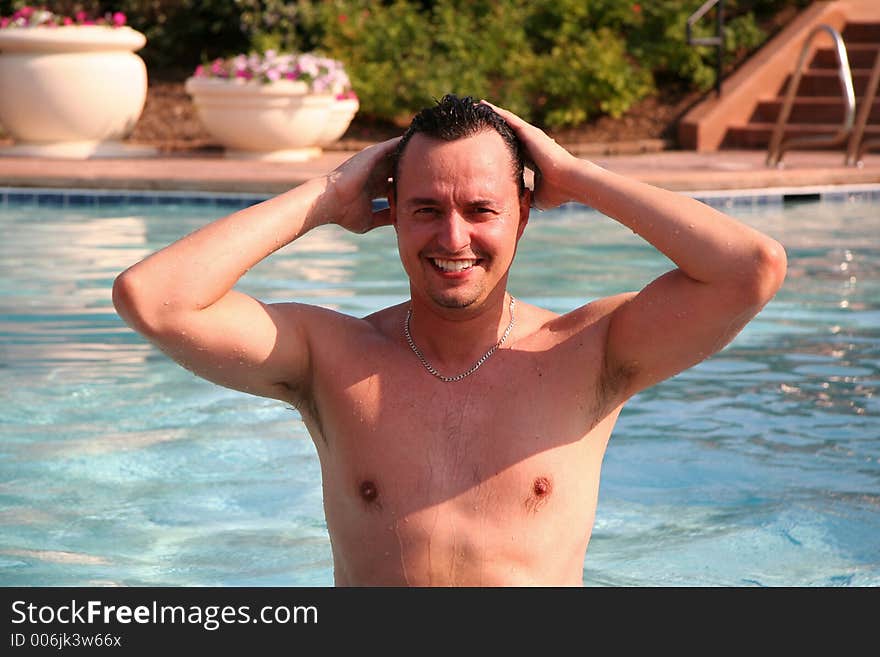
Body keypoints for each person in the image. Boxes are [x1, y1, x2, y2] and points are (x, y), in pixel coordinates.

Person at [113, 94, 787, 586]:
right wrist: (324, 196)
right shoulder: (330, 356)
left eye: (480, 210)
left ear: (523, 215)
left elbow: (751, 269)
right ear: (392, 216)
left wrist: (579, 177)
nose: (453, 238)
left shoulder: (590, 351)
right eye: (427, 209)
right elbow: (153, 296)